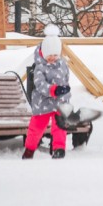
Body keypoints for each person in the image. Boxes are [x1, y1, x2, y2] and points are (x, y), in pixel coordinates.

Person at [22, 24, 71, 160]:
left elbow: (65, 79)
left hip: (59, 102)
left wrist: (66, 90)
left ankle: (59, 149)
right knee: (36, 128)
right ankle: (29, 149)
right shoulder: (40, 67)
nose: (52, 58)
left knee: (60, 126)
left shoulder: (62, 65)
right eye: (49, 55)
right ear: (43, 52)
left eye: (55, 55)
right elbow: (40, 85)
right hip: (42, 103)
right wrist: (54, 90)